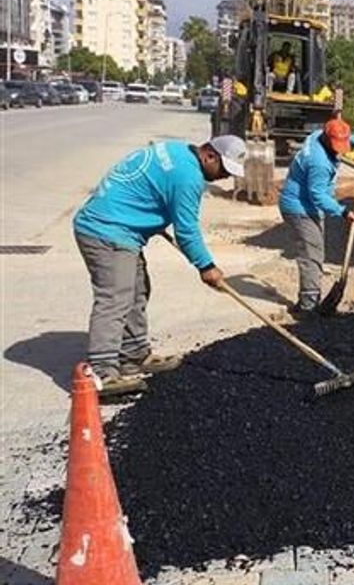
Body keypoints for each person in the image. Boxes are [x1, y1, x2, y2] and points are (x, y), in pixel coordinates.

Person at [73, 136, 247, 395]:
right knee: (116, 299)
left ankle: (133, 355)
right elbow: (186, 231)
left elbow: (155, 186)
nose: (225, 177)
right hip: (107, 230)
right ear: (210, 155)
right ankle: (102, 372)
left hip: (121, 228)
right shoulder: (188, 177)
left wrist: (152, 212)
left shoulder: (178, 151)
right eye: (224, 169)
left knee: (138, 290)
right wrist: (206, 266)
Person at [278, 116, 354, 316]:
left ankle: (308, 300)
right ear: (326, 138)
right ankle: (308, 308)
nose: (339, 150)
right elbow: (318, 195)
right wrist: (343, 212)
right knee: (311, 255)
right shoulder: (318, 162)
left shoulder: (316, 136)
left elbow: (343, 142)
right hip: (300, 208)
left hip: (305, 205)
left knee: (315, 251)